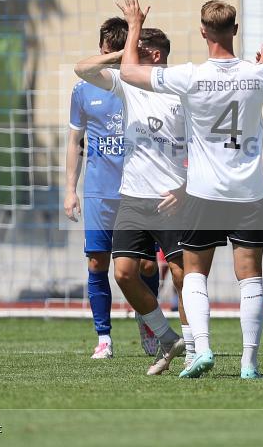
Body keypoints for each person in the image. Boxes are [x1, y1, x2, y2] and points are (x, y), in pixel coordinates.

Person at [118, 0, 263, 379]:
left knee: (195, 275)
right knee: (250, 276)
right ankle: (249, 364)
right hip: (248, 193)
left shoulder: (190, 75)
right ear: (235, 29)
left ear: (202, 32)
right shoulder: (257, 74)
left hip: (204, 193)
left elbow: (129, 72)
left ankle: (203, 349)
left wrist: (134, 27)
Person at [75, 25, 190, 375]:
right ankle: (167, 338)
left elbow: (202, 146)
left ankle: (196, 345)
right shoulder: (129, 85)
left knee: (185, 276)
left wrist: (185, 189)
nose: (128, 59)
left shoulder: (181, 91)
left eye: (135, 52)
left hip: (170, 199)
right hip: (133, 197)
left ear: (154, 56)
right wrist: (124, 45)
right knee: (123, 273)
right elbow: (83, 69)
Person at [65, 17, 159, 359]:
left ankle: (148, 325)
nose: (106, 56)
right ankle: (104, 338)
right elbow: (75, 141)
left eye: (112, 51)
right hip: (98, 193)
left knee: (146, 266)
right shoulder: (83, 89)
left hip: (137, 190)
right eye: (105, 51)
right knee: (96, 263)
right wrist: (69, 189)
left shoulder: (138, 85)